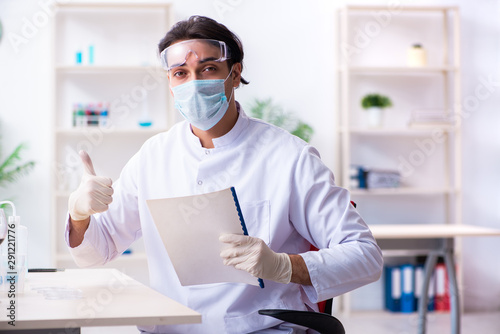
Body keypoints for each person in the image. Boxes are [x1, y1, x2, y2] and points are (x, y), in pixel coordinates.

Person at [66, 15, 383, 334]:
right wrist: (80, 213)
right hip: (170, 330)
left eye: (207, 69)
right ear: (171, 84)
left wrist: (283, 266)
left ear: (235, 74)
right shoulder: (153, 156)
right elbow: (96, 252)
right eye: (181, 73)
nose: (194, 83)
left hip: (261, 329)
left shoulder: (289, 157)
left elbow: (365, 257)